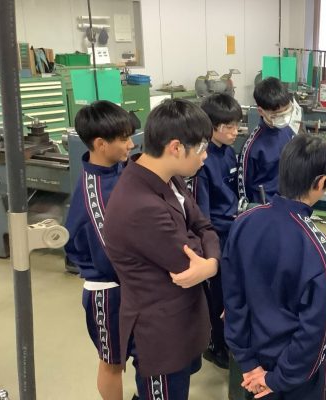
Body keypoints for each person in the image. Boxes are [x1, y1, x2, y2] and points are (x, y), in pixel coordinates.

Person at [103, 99, 220, 400]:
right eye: (202, 148)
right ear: (176, 147)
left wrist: (209, 263)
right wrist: (211, 262)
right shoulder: (139, 204)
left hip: (182, 322)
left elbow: (204, 226)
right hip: (161, 336)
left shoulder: (170, 178)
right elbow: (187, 259)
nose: (205, 156)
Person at [222, 134, 326, 399]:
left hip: (254, 367)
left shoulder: (243, 223)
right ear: (321, 182)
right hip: (301, 376)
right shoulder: (320, 248)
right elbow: (318, 330)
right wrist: (278, 378)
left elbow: (232, 301)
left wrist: (248, 363)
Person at [64, 100, 136, 400]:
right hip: (108, 292)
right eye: (124, 139)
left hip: (129, 284)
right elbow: (108, 256)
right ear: (100, 144)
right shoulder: (92, 192)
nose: (131, 144)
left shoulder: (119, 169)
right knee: (113, 363)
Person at [191, 93, 243, 369]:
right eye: (228, 127)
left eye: (237, 125)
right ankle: (215, 345)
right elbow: (202, 216)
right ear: (211, 127)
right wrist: (210, 250)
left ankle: (229, 339)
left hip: (233, 230)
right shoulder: (202, 162)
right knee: (218, 294)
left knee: (233, 291)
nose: (235, 132)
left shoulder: (229, 151)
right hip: (217, 237)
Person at [238, 77, 295, 204]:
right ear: (261, 111)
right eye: (277, 115)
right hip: (265, 207)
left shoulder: (288, 131)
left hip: (288, 200)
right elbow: (243, 191)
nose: (284, 118)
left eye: (286, 112)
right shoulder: (252, 147)